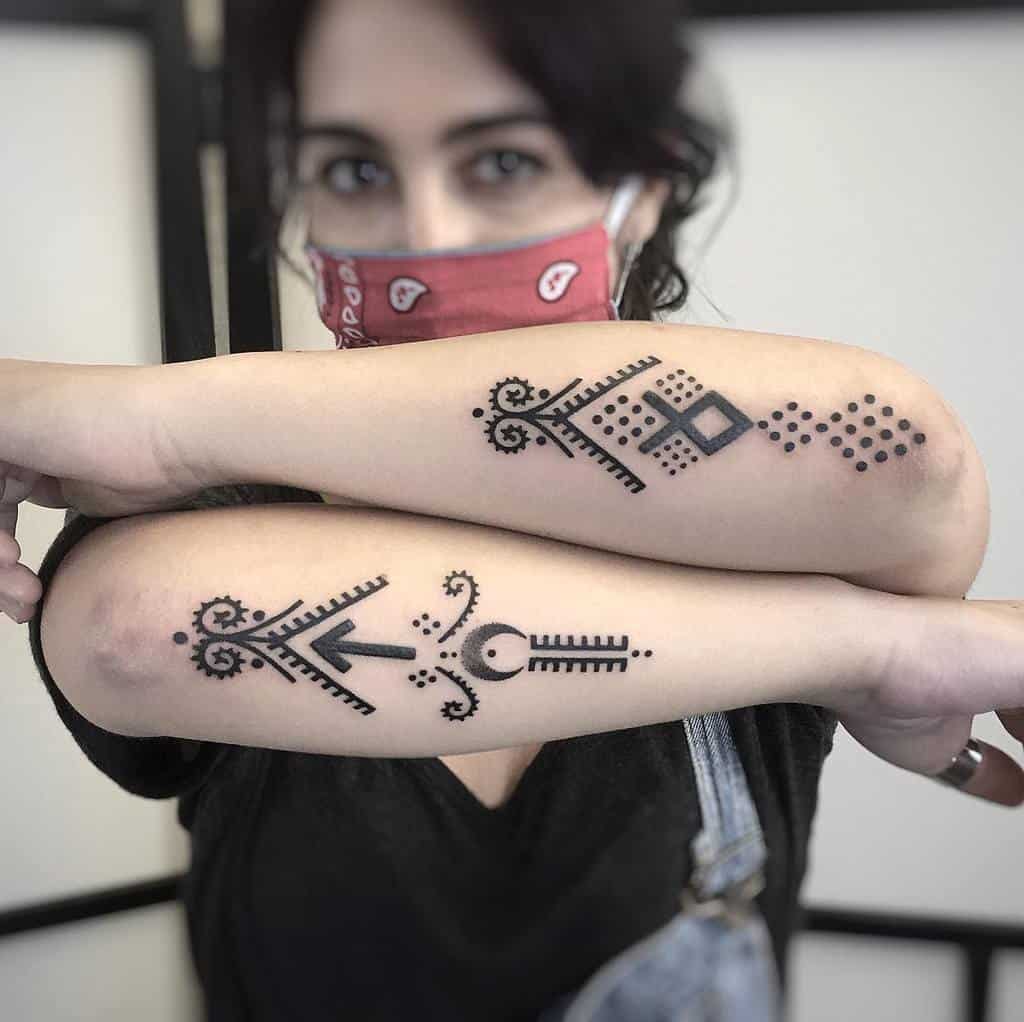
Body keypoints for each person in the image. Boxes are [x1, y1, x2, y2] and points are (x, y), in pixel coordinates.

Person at [6, 1, 1018, 1020]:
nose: (425, 236)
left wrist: (142, 411)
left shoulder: (758, 501)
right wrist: (864, 648)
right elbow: (134, 631)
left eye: (501, 164)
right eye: (354, 171)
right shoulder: (196, 516)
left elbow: (896, 458)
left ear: (640, 191)